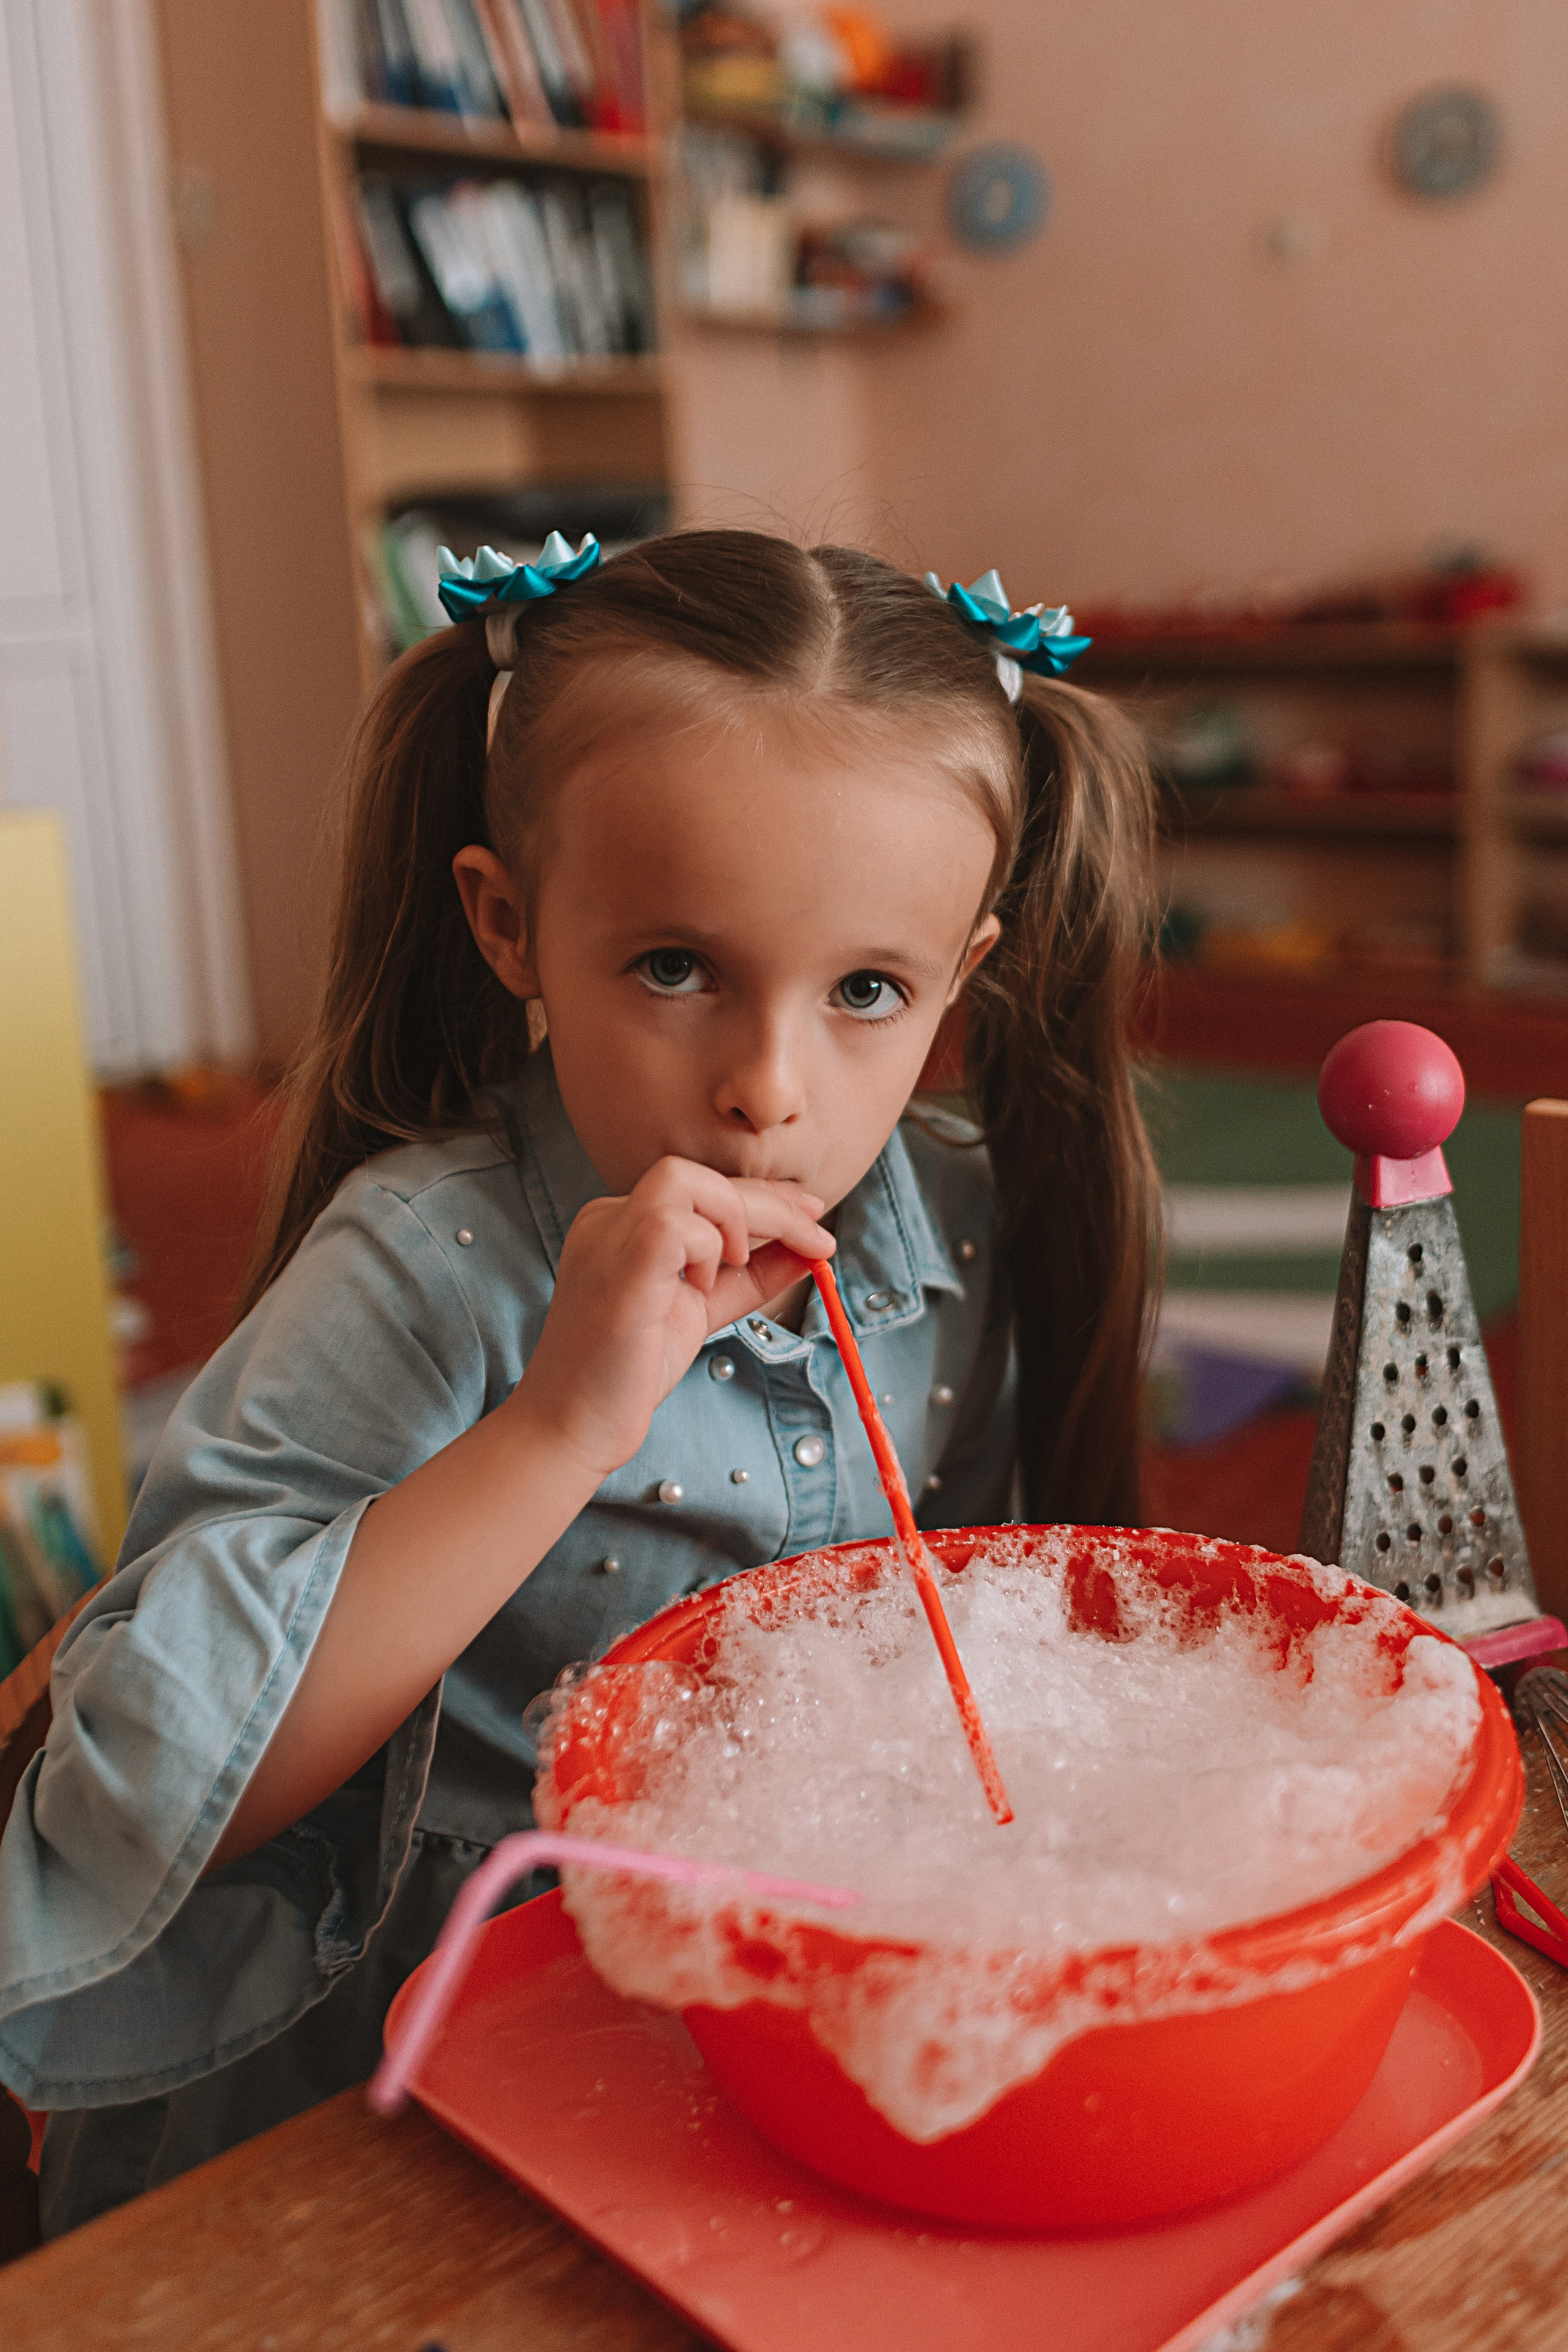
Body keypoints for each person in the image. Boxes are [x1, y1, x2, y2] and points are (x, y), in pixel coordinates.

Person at [0, 529, 1158, 2232]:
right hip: (395, 2095)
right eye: (677, 968)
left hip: (760, 2066)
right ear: (511, 925)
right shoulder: (424, 1267)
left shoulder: (969, 1233)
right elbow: (154, 1787)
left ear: (961, 980)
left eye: (865, 992)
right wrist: (562, 1425)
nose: (769, 1091)